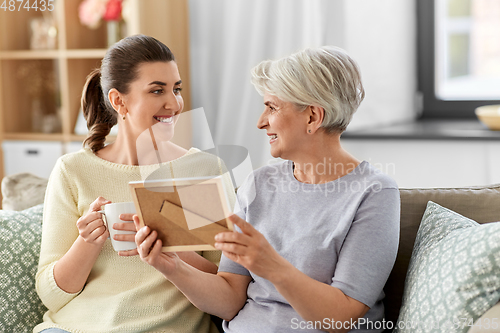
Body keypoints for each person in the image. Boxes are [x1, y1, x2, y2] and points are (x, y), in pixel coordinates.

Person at [135, 46, 400, 333]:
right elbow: (230, 300)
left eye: (272, 107)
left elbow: (341, 316)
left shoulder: (374, 192)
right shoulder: (258, 184)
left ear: (312, 117)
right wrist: (172, 267)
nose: (261, 122)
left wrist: (271, 265)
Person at [35, 35, 233, 333]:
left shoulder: (203, 170)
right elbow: (52, 296)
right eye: (157, 90)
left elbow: (227, 289)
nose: (175, 103)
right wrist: (87, 242)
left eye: (176, 89)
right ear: (118, 100)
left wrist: (172, 250)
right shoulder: (73, 170)